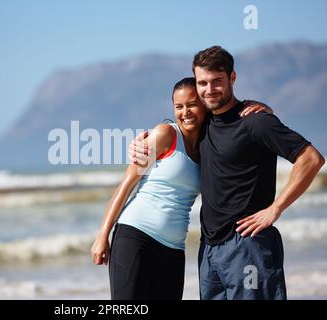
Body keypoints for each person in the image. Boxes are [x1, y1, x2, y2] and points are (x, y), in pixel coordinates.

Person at [129, 46, 325, 300]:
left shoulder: (255, 122)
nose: (209, 90)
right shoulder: (203, 123)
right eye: (203, 83)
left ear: (232, 78)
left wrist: (275, 209)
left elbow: (311, 159)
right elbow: (174, 127)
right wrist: (139, 142)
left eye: (217, 82)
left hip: (248, 245)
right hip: (209, 250)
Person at [91, 77, 270, 300]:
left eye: (192, 104)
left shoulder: (209, 145)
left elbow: (238, 126)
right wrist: (102, 236)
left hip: (174, 249)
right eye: (179, 106)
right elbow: (126, 186)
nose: (185, 112)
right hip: (135, 237)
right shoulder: (166, 134)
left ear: (204, 104)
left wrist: (265, 109)